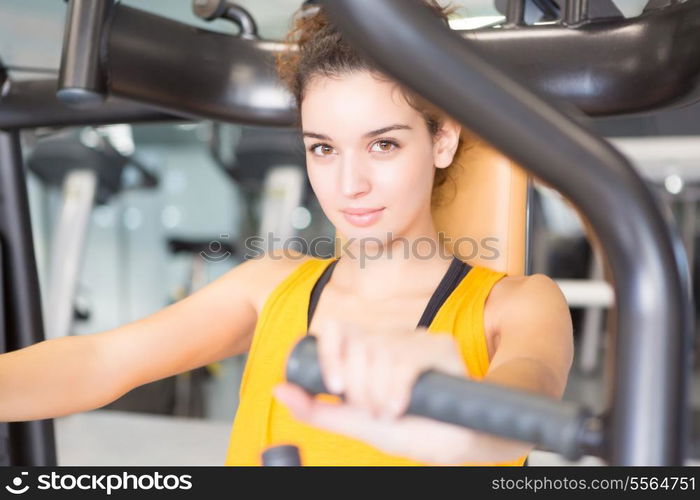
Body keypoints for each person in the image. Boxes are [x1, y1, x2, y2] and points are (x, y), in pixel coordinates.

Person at [0, 0, 573, 466]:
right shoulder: (266, 287)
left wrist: (470, 418)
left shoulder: (518, 305)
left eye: (384, 144)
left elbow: (530, 395)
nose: (350, 184)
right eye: (323, 148)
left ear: (441, 140)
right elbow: (101, 360)